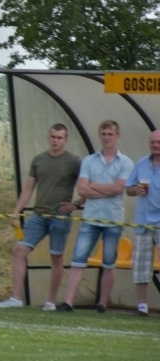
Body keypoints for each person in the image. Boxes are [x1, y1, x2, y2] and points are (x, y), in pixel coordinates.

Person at [0, 123, 82, 311]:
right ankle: (16, 298)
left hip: (61, 217)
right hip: (38, 215)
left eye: (59, 138)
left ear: (66, 140)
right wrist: (16, 211)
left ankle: (50, 302)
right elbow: (28, 188)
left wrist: (77, 204)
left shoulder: (74, 161)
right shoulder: (38, 160)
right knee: (19, 250)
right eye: (53, 137)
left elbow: (87, 185)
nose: (55, 141)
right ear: (48, 137)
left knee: (56, 258)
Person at [58, 120, 134, 313]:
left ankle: (102, 304)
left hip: (113, 219)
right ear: (99, 136)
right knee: (78, 260)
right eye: (104, 134)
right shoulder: (89, 161)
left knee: (109, 263)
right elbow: (82, 188)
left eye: (110, 134)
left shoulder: (126, 162)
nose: (107, 137)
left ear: (117, 136)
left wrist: (94, 186)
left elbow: (119, 189)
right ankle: (68, 302)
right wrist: (105, 189)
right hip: (91, 217)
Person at [125, 129, 160, 316]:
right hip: (142, 222)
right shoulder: (141, 164)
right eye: (153, 142)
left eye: (159, 142)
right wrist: (135, 189)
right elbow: (128, 189)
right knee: (140, 266)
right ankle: (142, 306)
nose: (155, 145)